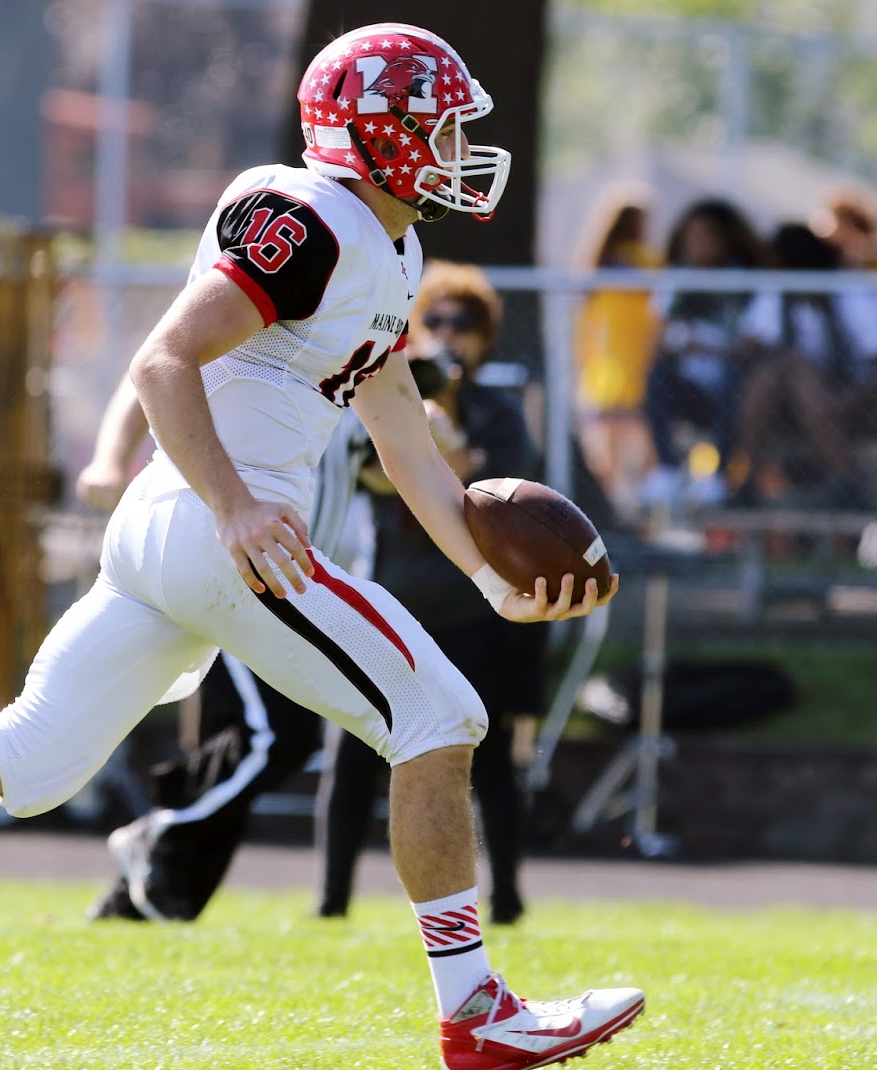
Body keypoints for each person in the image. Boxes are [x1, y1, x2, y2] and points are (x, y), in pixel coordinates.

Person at [0, 23, 644, 1068]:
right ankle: (475, 1009)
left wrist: (486, 575)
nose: (457, 149)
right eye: (438, 127)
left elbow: (400, 427)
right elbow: (161, 360)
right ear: (376, 132)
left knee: (25, 760)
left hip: (174, 527)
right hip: (216, 522)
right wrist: (235, 505)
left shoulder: (390, 245)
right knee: (442, 712)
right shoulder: (312, 219)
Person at [76, 376, 371, 923]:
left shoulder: (362, 359)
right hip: (236, 568)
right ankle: (156, 834)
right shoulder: (270, 326)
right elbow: (154, 366)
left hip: (297, 582)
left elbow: (377, 468)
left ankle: (143, 903)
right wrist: (110, 457)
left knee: (231, 744)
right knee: (277, 737)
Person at [317, 261, 543, 927]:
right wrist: (416, 437)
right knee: (355, 753)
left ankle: (507, 901)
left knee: (491, 758)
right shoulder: (386, 402)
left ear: (486, 339)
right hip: (393, 603)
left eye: (462, 325)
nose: (447, 336)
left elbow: (499, 495)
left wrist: (447, 444)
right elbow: (374, 477)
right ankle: (330, 903)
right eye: (435, 321)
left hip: (475, 611)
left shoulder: (501, 417)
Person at [732, 223, 877, 507]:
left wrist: (848, 400)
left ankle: (846, 478)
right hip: (792, 408)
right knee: (781, 369)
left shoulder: (849, 292)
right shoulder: (778, 293)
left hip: (853, 402)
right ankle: (748, 474)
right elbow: (749, 345)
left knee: (794, 369)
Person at [639, 197, 769, 509]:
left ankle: (719, 477)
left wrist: (706, 348)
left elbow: (752, 347)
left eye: (706, 236)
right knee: (657, 374)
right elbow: (660, 337)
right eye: (691, 236)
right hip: (690, 392)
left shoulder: (750, 283)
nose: (697, 244)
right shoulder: (677, 281)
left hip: (735, 393)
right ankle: (667, 471)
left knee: (737, 376)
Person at [574, 190, 661, 518]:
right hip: (620, 360)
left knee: (614, 444)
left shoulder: (599, 264)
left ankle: (622, 509)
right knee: (626, 440)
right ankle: (623, 510)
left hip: (611, 360)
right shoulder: (638, 260)